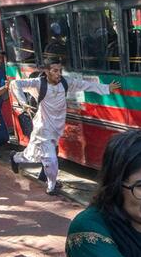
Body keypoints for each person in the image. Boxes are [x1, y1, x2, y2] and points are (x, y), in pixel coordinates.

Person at [9, 57, 120, 195]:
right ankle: (51, 187)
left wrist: (107, 88)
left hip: (57, 127)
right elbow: (15, 84)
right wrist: (22, 102)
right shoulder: (38, 83)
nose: (58, 74)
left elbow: (84, 85)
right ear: (46, 71)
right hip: (43, 127)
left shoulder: (65, 82)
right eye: (55, 71)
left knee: (34, 155)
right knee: (50, 158)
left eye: (60, 70)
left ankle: (15, 157)